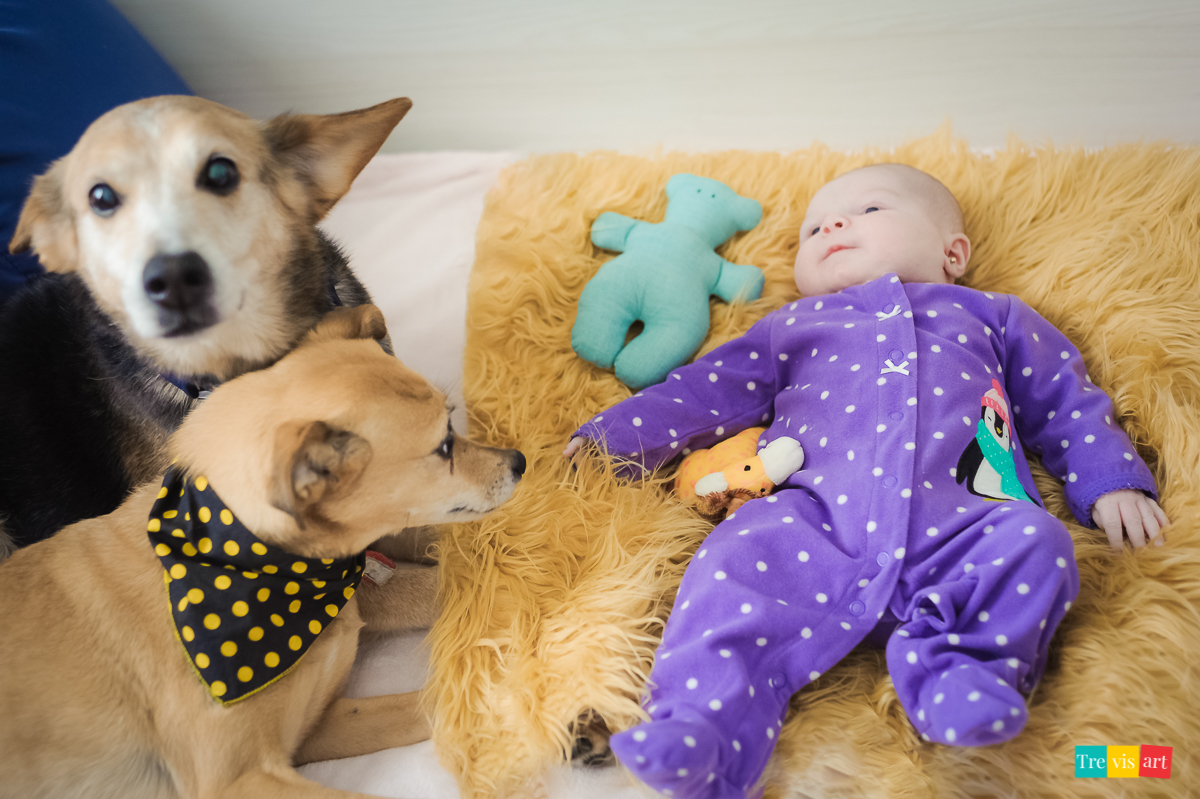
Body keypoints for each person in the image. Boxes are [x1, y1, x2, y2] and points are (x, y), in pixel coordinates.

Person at [563, 164, 1168, 799]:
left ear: (952, 252)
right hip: (816, 529)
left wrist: (1110, 479)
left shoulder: (994, 316)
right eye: (812, 228)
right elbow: (703, 392)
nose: (832, 227)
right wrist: (615, 437)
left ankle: (963, 671)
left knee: (1037, 542)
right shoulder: (792, 327)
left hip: (967, 521)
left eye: (870, 210)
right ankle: (700, 725)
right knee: (730, 562)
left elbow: (1064, 396)